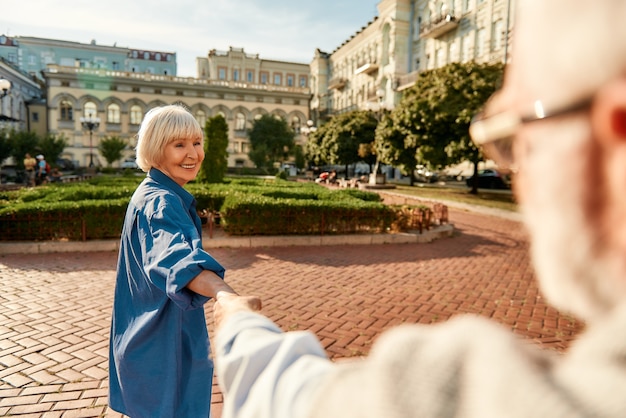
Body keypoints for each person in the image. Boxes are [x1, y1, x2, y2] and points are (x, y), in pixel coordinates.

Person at [212, 1, 626, 417]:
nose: (517, 177)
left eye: (511, 136)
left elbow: (279, 394)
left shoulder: (475, 398)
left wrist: (236, 320)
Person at [108, 104, 260, 418]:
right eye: (179, 145)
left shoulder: (155, 193)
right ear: (155, 149)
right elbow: (176, 257)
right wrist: (225, 295)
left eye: (196, 142)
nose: (193, 153)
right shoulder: (161, 201)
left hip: (150, 344)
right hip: (162, 352)